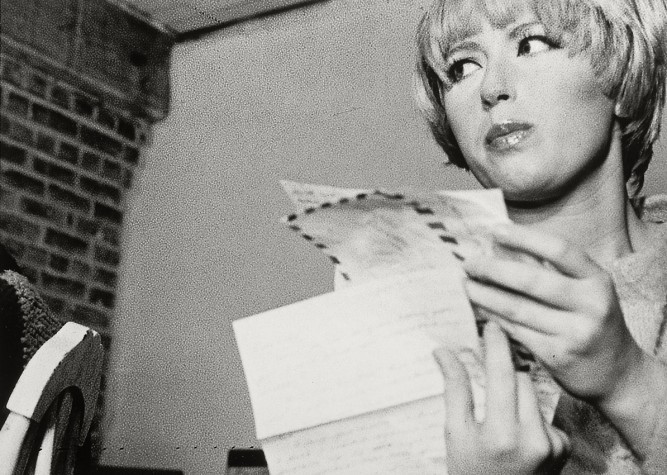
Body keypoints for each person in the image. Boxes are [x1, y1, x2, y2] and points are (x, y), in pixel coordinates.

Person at [413, 0, 667, 473]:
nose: (492, 88)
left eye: (531, 44)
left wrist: (628, 380)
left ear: (623, 84)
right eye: (463, 67)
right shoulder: (411, 307)